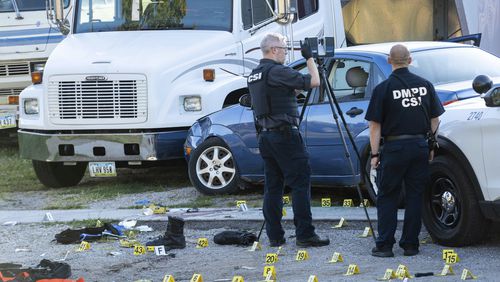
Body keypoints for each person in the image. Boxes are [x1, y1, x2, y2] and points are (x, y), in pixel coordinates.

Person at [247, 33, 329, 247]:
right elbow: (314, 81)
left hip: (266, 136)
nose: (286, 52)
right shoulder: (277, 71)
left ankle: (275, 236)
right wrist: (309, 58)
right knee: (300, 183)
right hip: (284, 135)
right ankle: (305, 234)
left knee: (273, 187)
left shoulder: (255, 74)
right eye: (284, 48)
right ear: (273, 49)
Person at [365, 44, 445, 257]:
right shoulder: (425, 86)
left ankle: (384, 246)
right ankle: (411, 245)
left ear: (390, 61)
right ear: (410, 60)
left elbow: (375, 125)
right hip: (419, 147)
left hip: (394, 148)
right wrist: (430, 146)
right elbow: (435, 119)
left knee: (388, 196)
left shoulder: (382, 89)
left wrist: (374, 155)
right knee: (415, 196)